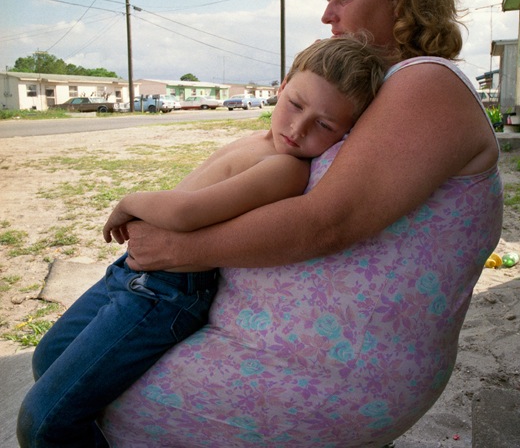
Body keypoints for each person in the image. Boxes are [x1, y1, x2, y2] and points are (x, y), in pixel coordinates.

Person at [43, 0, 503, 447]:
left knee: (58, 411)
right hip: (279, 347)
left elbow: (330, 223)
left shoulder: (427, 82)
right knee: (58, 372)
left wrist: (182, 247)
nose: (328, 16)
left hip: (329, 372)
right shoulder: (380, 92)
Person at [17, 35, 389, 448]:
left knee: (43, 423)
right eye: (296, 105)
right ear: (282, 86)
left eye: (324, 125)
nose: (297, 129)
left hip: (164, 297)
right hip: (128, 276)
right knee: (46, 358)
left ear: (346, 134)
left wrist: (129, 201)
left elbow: (185, 213)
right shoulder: (258, 142)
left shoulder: (284, 168)